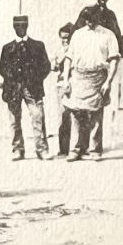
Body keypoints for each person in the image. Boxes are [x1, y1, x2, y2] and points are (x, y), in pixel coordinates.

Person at [63, 7, 122, 161]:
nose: (89, 23)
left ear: (98, 18)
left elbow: (114, 59)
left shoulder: (108, 35)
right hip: (78, 76)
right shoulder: (77, 34)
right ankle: (76, 148)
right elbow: (69, 58)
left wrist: (108, 81)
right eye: (87, 19)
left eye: (92, 19)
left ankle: (95, 149)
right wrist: (65, 80)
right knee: (76, 113)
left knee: (96, 114)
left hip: (98, 78)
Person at [75, 0, 123, 156]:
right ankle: (80, 146)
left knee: (97, 110)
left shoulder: (110, 15)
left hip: (101, 66)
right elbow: (78, 34)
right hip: (83, 69)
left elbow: (116, 37)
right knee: (80, 111)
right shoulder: (87, 12)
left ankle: (95, 147)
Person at [0, 15, 50, 161]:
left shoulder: (38, 46)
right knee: (14, 120)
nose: (20, 28)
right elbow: (2, 68)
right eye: (17, 26)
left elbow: (46, 66)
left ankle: (42, 149)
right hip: (13, 89)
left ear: (27, 26)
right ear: (13, 27)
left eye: (23, 26)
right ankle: (17, 149)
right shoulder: (7, 48)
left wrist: (34, 78)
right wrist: (12, 79)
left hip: (32, 88)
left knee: (37, 117)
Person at [53, 22, 75, 162]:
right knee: (63, 117)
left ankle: (77, 148)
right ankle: (63, 148)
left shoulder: (76, 50)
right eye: (62, 38)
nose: (65, 41)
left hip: (75, 84)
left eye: (67, 38)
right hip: (61, 85)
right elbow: (54, 67)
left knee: (78, 117)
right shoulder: (59, 51)